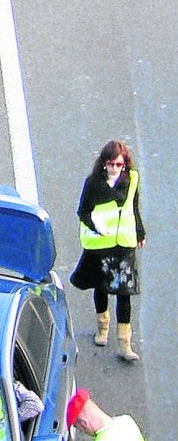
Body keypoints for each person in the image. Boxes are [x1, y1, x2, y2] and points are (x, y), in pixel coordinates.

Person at [70, 140, 146, 360]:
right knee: (101, 288)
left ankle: (125, 343)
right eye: (110, 164)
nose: (114, 168)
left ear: (125, 165)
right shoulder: (93, 183)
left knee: (124, 293)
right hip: (100, 246)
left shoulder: (131, 179)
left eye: (118, 164)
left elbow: (134, 207)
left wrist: (139, 233)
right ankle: (102, 328)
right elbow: (83, 211)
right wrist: (97, 227)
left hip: (123, 244)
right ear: (103, 163)